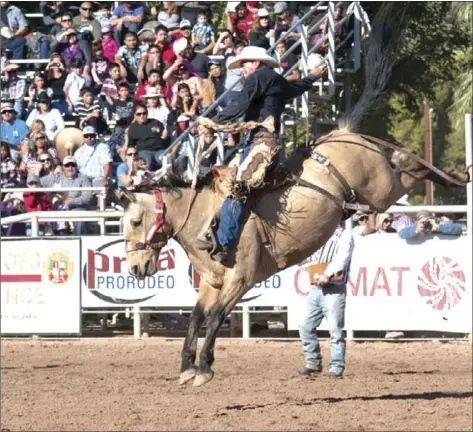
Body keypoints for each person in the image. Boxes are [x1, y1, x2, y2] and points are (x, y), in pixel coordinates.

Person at [194, 46, 327, 262]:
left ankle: (224, 242)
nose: (242, 70)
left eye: (244, 65)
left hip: (260, 143)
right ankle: (226, 234)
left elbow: (241, 103)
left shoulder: (258, 77)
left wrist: (213, 121)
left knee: (237, 188)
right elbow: (296, 88)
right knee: (236, 186)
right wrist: (312, 76)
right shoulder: (275, 80)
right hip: (263, 142)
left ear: (255, 63)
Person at [296, 223, 354, 378]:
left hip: (333, 288)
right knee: (305, 326)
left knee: (335, 329)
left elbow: (342, 257)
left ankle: (336, 367)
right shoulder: (319, 233)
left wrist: (327, 274)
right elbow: (310, 258)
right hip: (316, 288)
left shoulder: (344, 235)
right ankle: (313, 363)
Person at [40, 155, 95, 235]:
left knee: (79, 217)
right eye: (67, 165)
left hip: (76, 208)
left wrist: (70, 201)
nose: (70, 168)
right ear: (63, 167)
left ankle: (77, 242)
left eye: (73, 165)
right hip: (59, 208)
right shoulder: (57, 176)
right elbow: (38, 181)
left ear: (76, 166)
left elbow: (88, 197)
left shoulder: (83, 178)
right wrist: (39, 170)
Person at [127, 103, 169, 170]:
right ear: (134, 115)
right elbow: (131, 144)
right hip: (144, 150)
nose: (142, 116)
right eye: (139, 114)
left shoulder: (155, 122)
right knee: (147, 162)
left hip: (159, 149)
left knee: (163, 159)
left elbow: (164, 137)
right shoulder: (133, 128)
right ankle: (149, 179)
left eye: (144, 113)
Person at [398, 210, 463, 240]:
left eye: (428, 221)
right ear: (418, 221)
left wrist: (439, 228)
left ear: (432, 219)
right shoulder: (416, 226)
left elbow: (459, 229)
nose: (426, 224)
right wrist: (415, 231)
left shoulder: (438, 225)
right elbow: (401, 234)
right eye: (423, 221)